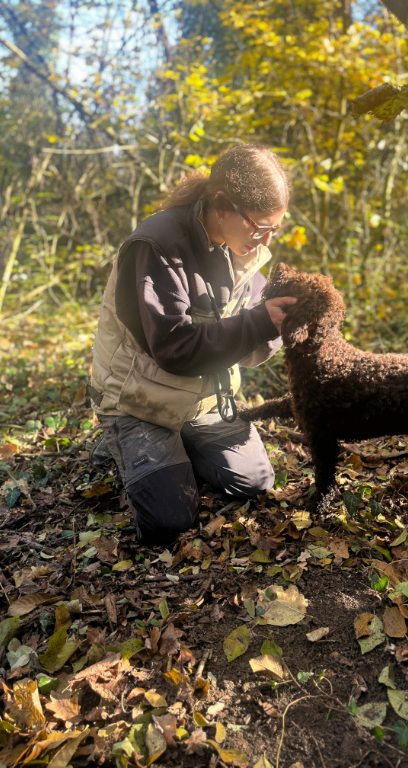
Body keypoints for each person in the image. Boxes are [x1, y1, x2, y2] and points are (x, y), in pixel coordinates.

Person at [87, 144, 297, 547]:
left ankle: (172, 452)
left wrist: (273, 326)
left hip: (203, 402)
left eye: (275, 229)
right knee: (170, 521)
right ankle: (119, 441)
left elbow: (247, 349)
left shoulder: (243, 247)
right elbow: (175, 349)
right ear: (221, 205)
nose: (267, 239)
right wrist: (256, 322)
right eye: (259, 227)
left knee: (255, 481)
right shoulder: (157, 245)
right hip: (139, 402)